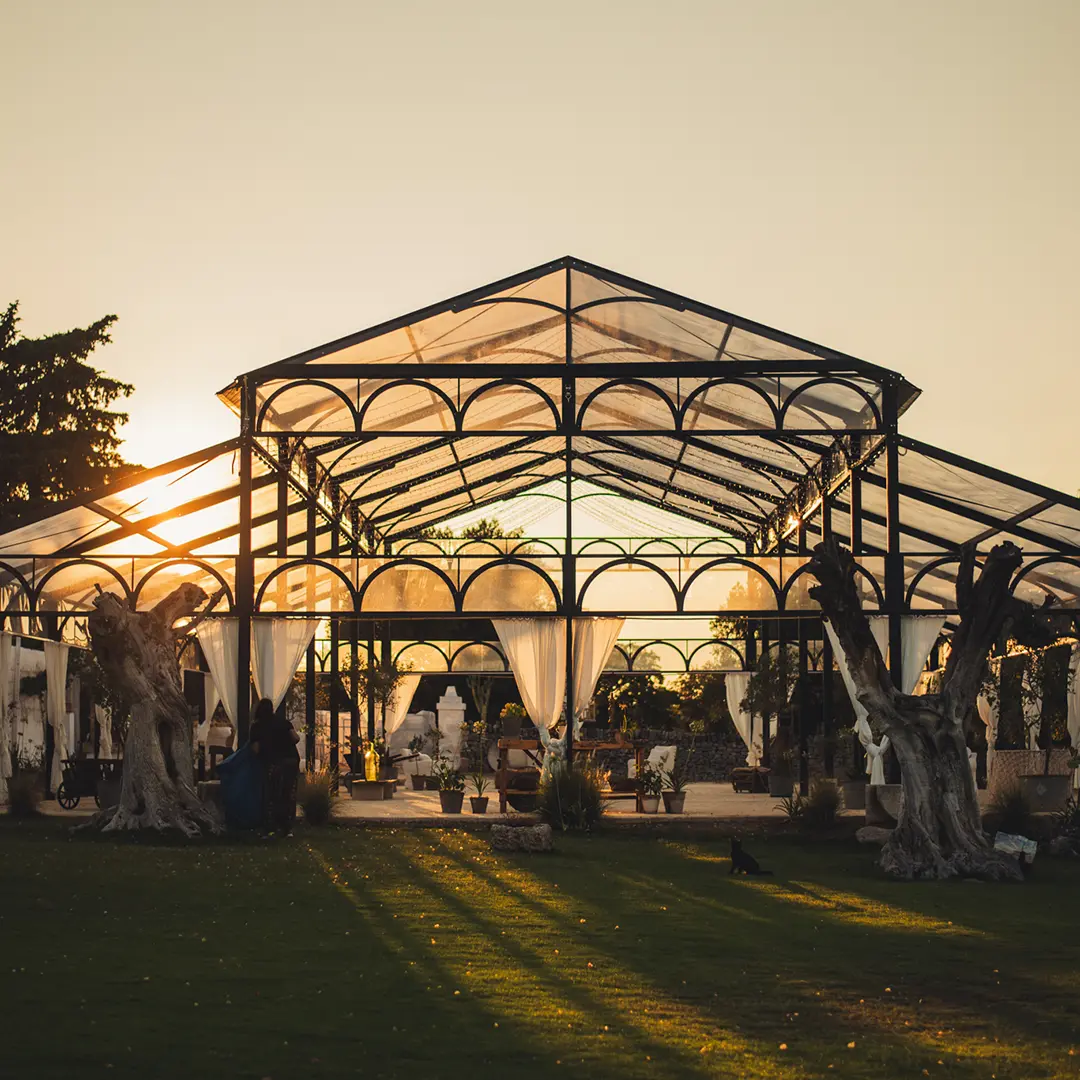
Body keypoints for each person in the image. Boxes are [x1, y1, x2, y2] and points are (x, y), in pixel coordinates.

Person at [249, 697, 300, 833]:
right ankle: (287, 827)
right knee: (288, 793)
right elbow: (296, 738)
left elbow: (255, 749)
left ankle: (271, 826)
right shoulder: (283, 722)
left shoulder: (257, 727)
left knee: (272, 794)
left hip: (274, 763)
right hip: (291, 760)